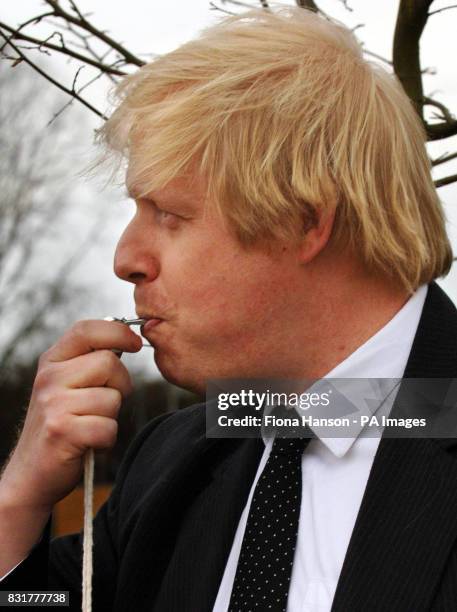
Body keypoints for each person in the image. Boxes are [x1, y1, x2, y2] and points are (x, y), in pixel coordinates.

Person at [0, 7, 456, 611]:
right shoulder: (169, 462)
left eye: (170, 215)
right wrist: (19, 498)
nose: (126, 258)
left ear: (303, 221)